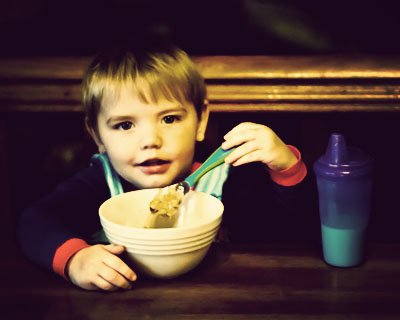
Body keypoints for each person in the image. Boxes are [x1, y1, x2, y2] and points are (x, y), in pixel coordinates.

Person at [17, 40, 307, 291]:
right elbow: (34, 221)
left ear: (201, 120)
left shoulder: (226, 179)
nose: (150, 140)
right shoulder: (99, 181)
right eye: (125, 125)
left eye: (169, 119)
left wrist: (286, 168)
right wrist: (75, 260)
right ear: (96, 135)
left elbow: (290, 227)